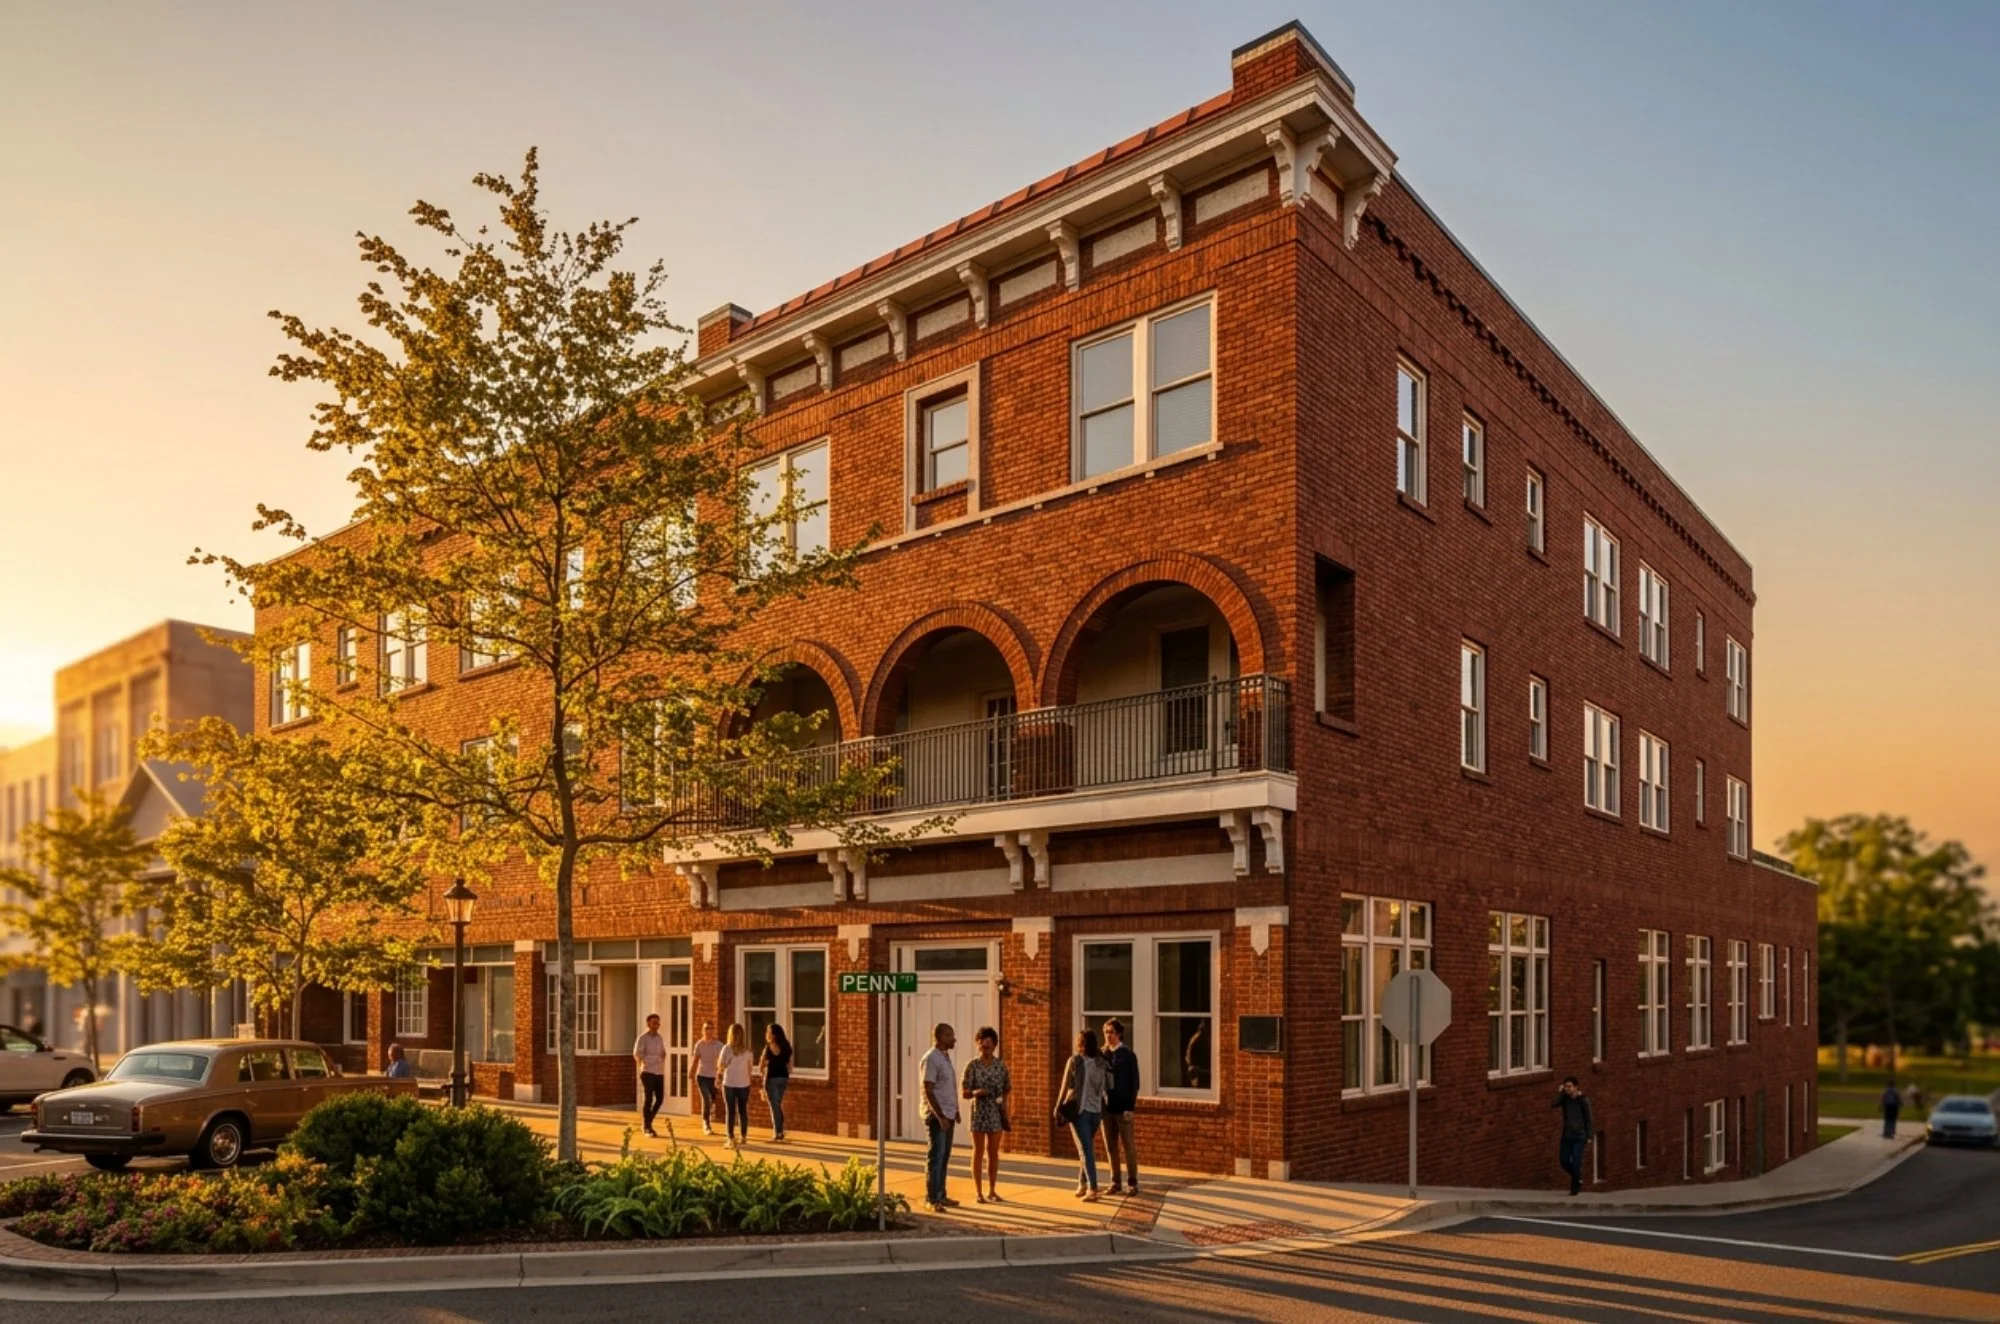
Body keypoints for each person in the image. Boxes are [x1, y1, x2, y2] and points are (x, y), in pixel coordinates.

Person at [1055, 1028, 1109, 1201]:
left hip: (1080, 1111)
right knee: (1085, 1149)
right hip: (1097, 1112)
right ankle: (1082, 1183)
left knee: (1086, 1150)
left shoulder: (1075, 1061)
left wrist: (1057, 1106)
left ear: (1081, 1044)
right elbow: (1108, 1087)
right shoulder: (1102, 1063)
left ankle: (1093, 1189)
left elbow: (1065, 1085)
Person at [960, 1026, 1012, 1204]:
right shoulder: (972, 1066)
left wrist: (1004, 1105)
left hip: (995, 1113)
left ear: (995, 1046)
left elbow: (1007, 1088)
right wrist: (975, 1092)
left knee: (993, 1153)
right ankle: (978, 1191)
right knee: (978, 1152)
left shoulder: (1000, 1066)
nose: (985, 1050)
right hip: (978, 1112)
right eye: (982, 1046)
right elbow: (964, 1091)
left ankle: (992, 1190)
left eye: (988, 1047)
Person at [918, 1022, 959, 1212]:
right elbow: (928, 1089)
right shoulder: (931, 1058)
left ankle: (941, 1195)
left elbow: (947, 1087)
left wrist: (955, 1110)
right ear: (940, 1037)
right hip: (937, 1117)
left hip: (948, 1115)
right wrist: (940, 1116)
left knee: (944, 1157)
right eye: (949, 1035)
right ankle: (931, 1198)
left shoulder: (945, 1057)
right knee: (935, 1156)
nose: (953, 1039)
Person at [1101, 1018, 1140, 1197]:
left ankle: (1132, 1182)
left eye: (1111, 1032)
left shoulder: (1128, 1055)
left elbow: (1134, 1083)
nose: (1108, 1036)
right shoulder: (1102, 1054)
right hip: (1106, 1109)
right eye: (1106, 1032)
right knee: (1111, 1147)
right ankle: (1115, 1181)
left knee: (1128, 1146)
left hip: (1123, 1109)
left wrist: (1130, 1107)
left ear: (1118, 1034)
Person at [1554, 1075, 1592, 1196]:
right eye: (1565, 1087)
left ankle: (1574, 1188)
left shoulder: (1583, 1100)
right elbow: (1553, 1104)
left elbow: (1588, 1118)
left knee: (1576, 1161)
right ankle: (1578, 1177)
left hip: (1580, 1136)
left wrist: (1589, 1135)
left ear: (1576, 1087)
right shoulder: (1564, 1099)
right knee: (1564, 1161)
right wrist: (1560, 1093)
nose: (1567, 1089)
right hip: (1567, 1135)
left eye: (1570, 1087)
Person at [718, 1023, 754, 1148]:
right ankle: (743, 1136)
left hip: (729, 1083)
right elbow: (750, 1069)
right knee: (743, 1110)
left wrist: (724, 1068)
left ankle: (730, 1138)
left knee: (730, 1111)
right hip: (744, 1084)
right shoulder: (748, 1050)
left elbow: (721, 1066)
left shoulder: (726, 1049)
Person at [634, 1012, 667, 1138]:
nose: (656, 1025)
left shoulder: (660, 1038)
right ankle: (647, 1126)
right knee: (648, 1098)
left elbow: (662, 1052)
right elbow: (637, 1054)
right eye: (654, 1022)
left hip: (659, 1072)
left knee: (659, 1099)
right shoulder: (643, 1038)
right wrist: (642, 1064)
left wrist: (663, 1056)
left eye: (658, 1022)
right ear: (648, 1023)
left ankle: (648, 1122)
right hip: (647, 1072)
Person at [761, 1023, 793, 1142]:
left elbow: (761, 1064)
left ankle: (777, 1132)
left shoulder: (768, 1048)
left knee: (774, 1106)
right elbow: (790, 1065)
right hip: (783, 1077)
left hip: (772, 1077)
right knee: (777, 1104)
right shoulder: (787, 1046)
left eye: (768, 1032)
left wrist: (763, 1072)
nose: (766, 1034)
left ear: (773, 1035)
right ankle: (780, 1130)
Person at [692, 1021, 723, 1136]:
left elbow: (722, 1063)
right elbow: (695, 1059)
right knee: (706, 1098)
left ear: (713, 1030)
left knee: (712, 1099)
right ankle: (706, 1123)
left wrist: (720, 1076)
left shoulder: (719, 1045)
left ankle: (710, 1110)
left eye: (710, 1029)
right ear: (703, 1031)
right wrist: (691, 1072)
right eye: (706, 1029)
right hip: (701, 1076)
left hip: (714, 1077)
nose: (708, 1031)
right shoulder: (699, 1044)